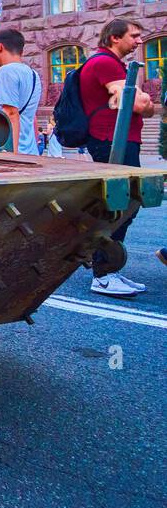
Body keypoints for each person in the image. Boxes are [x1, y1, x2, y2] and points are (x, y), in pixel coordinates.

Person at [79, 17, 157, 298]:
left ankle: (108, 269)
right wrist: (141, 101)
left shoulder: (115, 65)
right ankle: (102, 274)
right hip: (112, 141)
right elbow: (139, 103)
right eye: (134, 36)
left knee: (126, 204)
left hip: (122, 140)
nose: (138, 41)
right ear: (114, 37)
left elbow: (147, 109)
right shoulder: (104, 63)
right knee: (119, 205)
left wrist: (141, 102)